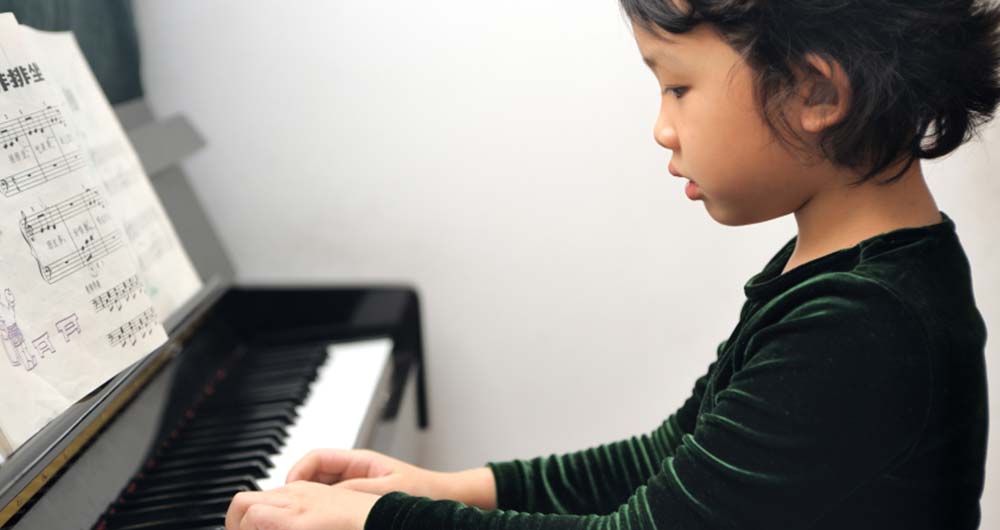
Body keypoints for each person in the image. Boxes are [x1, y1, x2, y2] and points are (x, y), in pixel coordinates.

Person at [226, 0, 999, 528]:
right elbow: (670, 461)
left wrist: (380, 520)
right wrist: (450, 489)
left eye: (677, 86)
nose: (662, 128)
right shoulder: (849, 275)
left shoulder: (865, 323)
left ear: (814, 92)